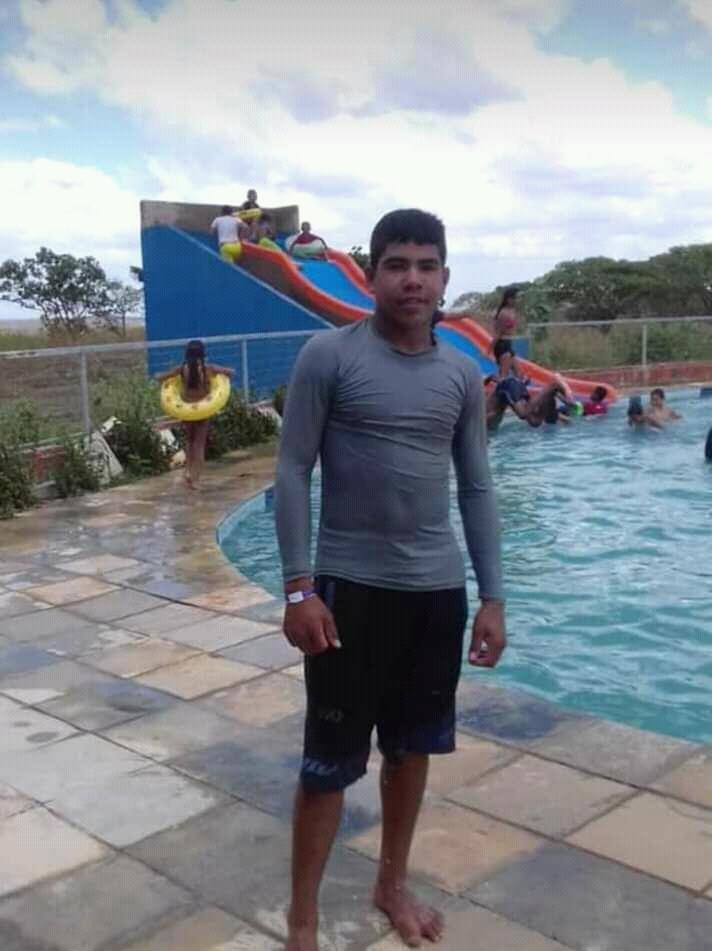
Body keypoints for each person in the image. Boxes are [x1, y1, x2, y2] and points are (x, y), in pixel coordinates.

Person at [274, 209, 506, 951]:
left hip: (435, 594)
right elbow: (292, 470)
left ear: (445, 278)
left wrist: (493, 596)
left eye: (426, 266)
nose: (413, 279)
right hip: (350, 592)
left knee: (411, 750)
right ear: (371, 274)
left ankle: (391, 885)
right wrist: (298, 588)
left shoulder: (461, 374)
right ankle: (303, 919)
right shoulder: (329, 357)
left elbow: (476, 487)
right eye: (397, 265)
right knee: (327, 765)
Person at [155, 340, 234, 489]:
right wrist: (220, 374)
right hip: (203, 412)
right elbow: (231, 372)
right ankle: (196, 479)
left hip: (186, 412)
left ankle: (188, 472)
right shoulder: (208, 369)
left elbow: (159, 377)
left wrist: (168, 381)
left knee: (189, 441)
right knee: (199, 445)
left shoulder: (182, 369)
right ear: (202, 354)